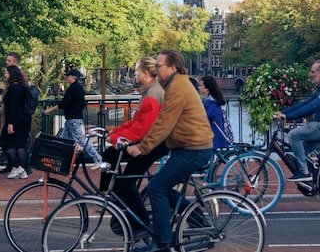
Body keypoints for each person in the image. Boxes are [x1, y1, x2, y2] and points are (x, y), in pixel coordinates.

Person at [128, 50, 214, 252]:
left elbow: (164, 123)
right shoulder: (175, 84)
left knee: (155, 189)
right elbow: (164, 123)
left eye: (159, 66)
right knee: (163, 188)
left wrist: (142, 148)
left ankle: (161, 243)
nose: (156, 70)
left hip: (194, 149)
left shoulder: (178, 87)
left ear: (173, 67)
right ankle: (198, 221)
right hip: (187, 146)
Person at [99, 57, 166, 235]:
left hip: (153, 144)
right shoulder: (148, 92)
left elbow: (141, 130)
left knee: (128, 182)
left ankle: (141, 223)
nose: (134, 74)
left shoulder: (152, 96)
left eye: (136, 71)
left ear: (145, 73)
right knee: (110, 155)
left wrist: (115, 138)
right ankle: (116, 197)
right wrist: (114, 133)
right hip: (150, 140)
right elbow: (135, 122)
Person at [273, 59, 320, 182]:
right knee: (302, 152)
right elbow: (306, 103)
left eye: (313, 72)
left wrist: (288, 117)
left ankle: (304, 172)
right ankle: (313, 177)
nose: (310, 74)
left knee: (293, 135)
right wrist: (283, 113)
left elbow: (313, 107)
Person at [43, 69, 104, 169]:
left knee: (80, 140)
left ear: (73, 77)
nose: (67, 78)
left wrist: (49, 110)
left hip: (72, 119)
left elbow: (64, 103)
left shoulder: (72, 89)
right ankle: (61, 162)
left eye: (68, 76)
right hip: (74, 118)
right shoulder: (79, 88)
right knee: (64, 141)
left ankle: (97, 159)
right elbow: (81, 104)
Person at [0, 52, 32, 175]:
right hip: (24, 119)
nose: (5, 74)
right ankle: (22, 170)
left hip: (16, 119)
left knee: (5, 142)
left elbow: (13, 107)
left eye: (6, 72)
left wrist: (10, 123)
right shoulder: (22, 86)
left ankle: (18, 167)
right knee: (20, 144)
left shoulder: (14, 88)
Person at [198, 76, 231, 149]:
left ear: (207, 88)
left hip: (213, 136)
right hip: (212, 135)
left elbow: (204, 117)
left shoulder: (212, 103)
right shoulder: (210, 100)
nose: (199, 87)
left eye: (201, 85)